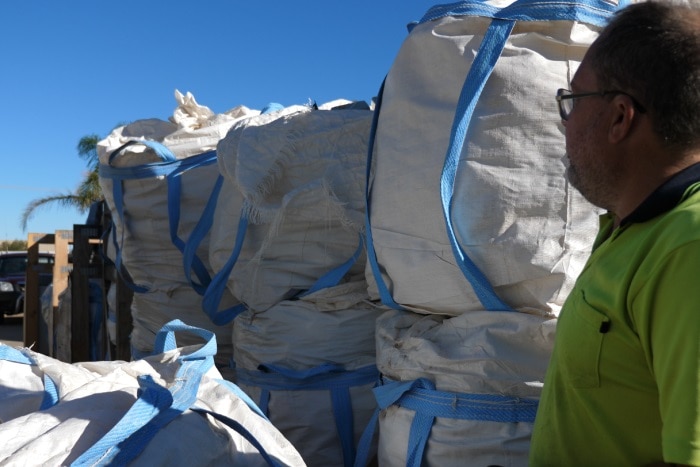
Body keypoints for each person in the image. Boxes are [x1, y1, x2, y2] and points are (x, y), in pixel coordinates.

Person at [529, 1, 700, 466]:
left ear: (621, 117)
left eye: (573, 100)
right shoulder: (630, 229)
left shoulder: (687, 248)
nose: (564, 124)